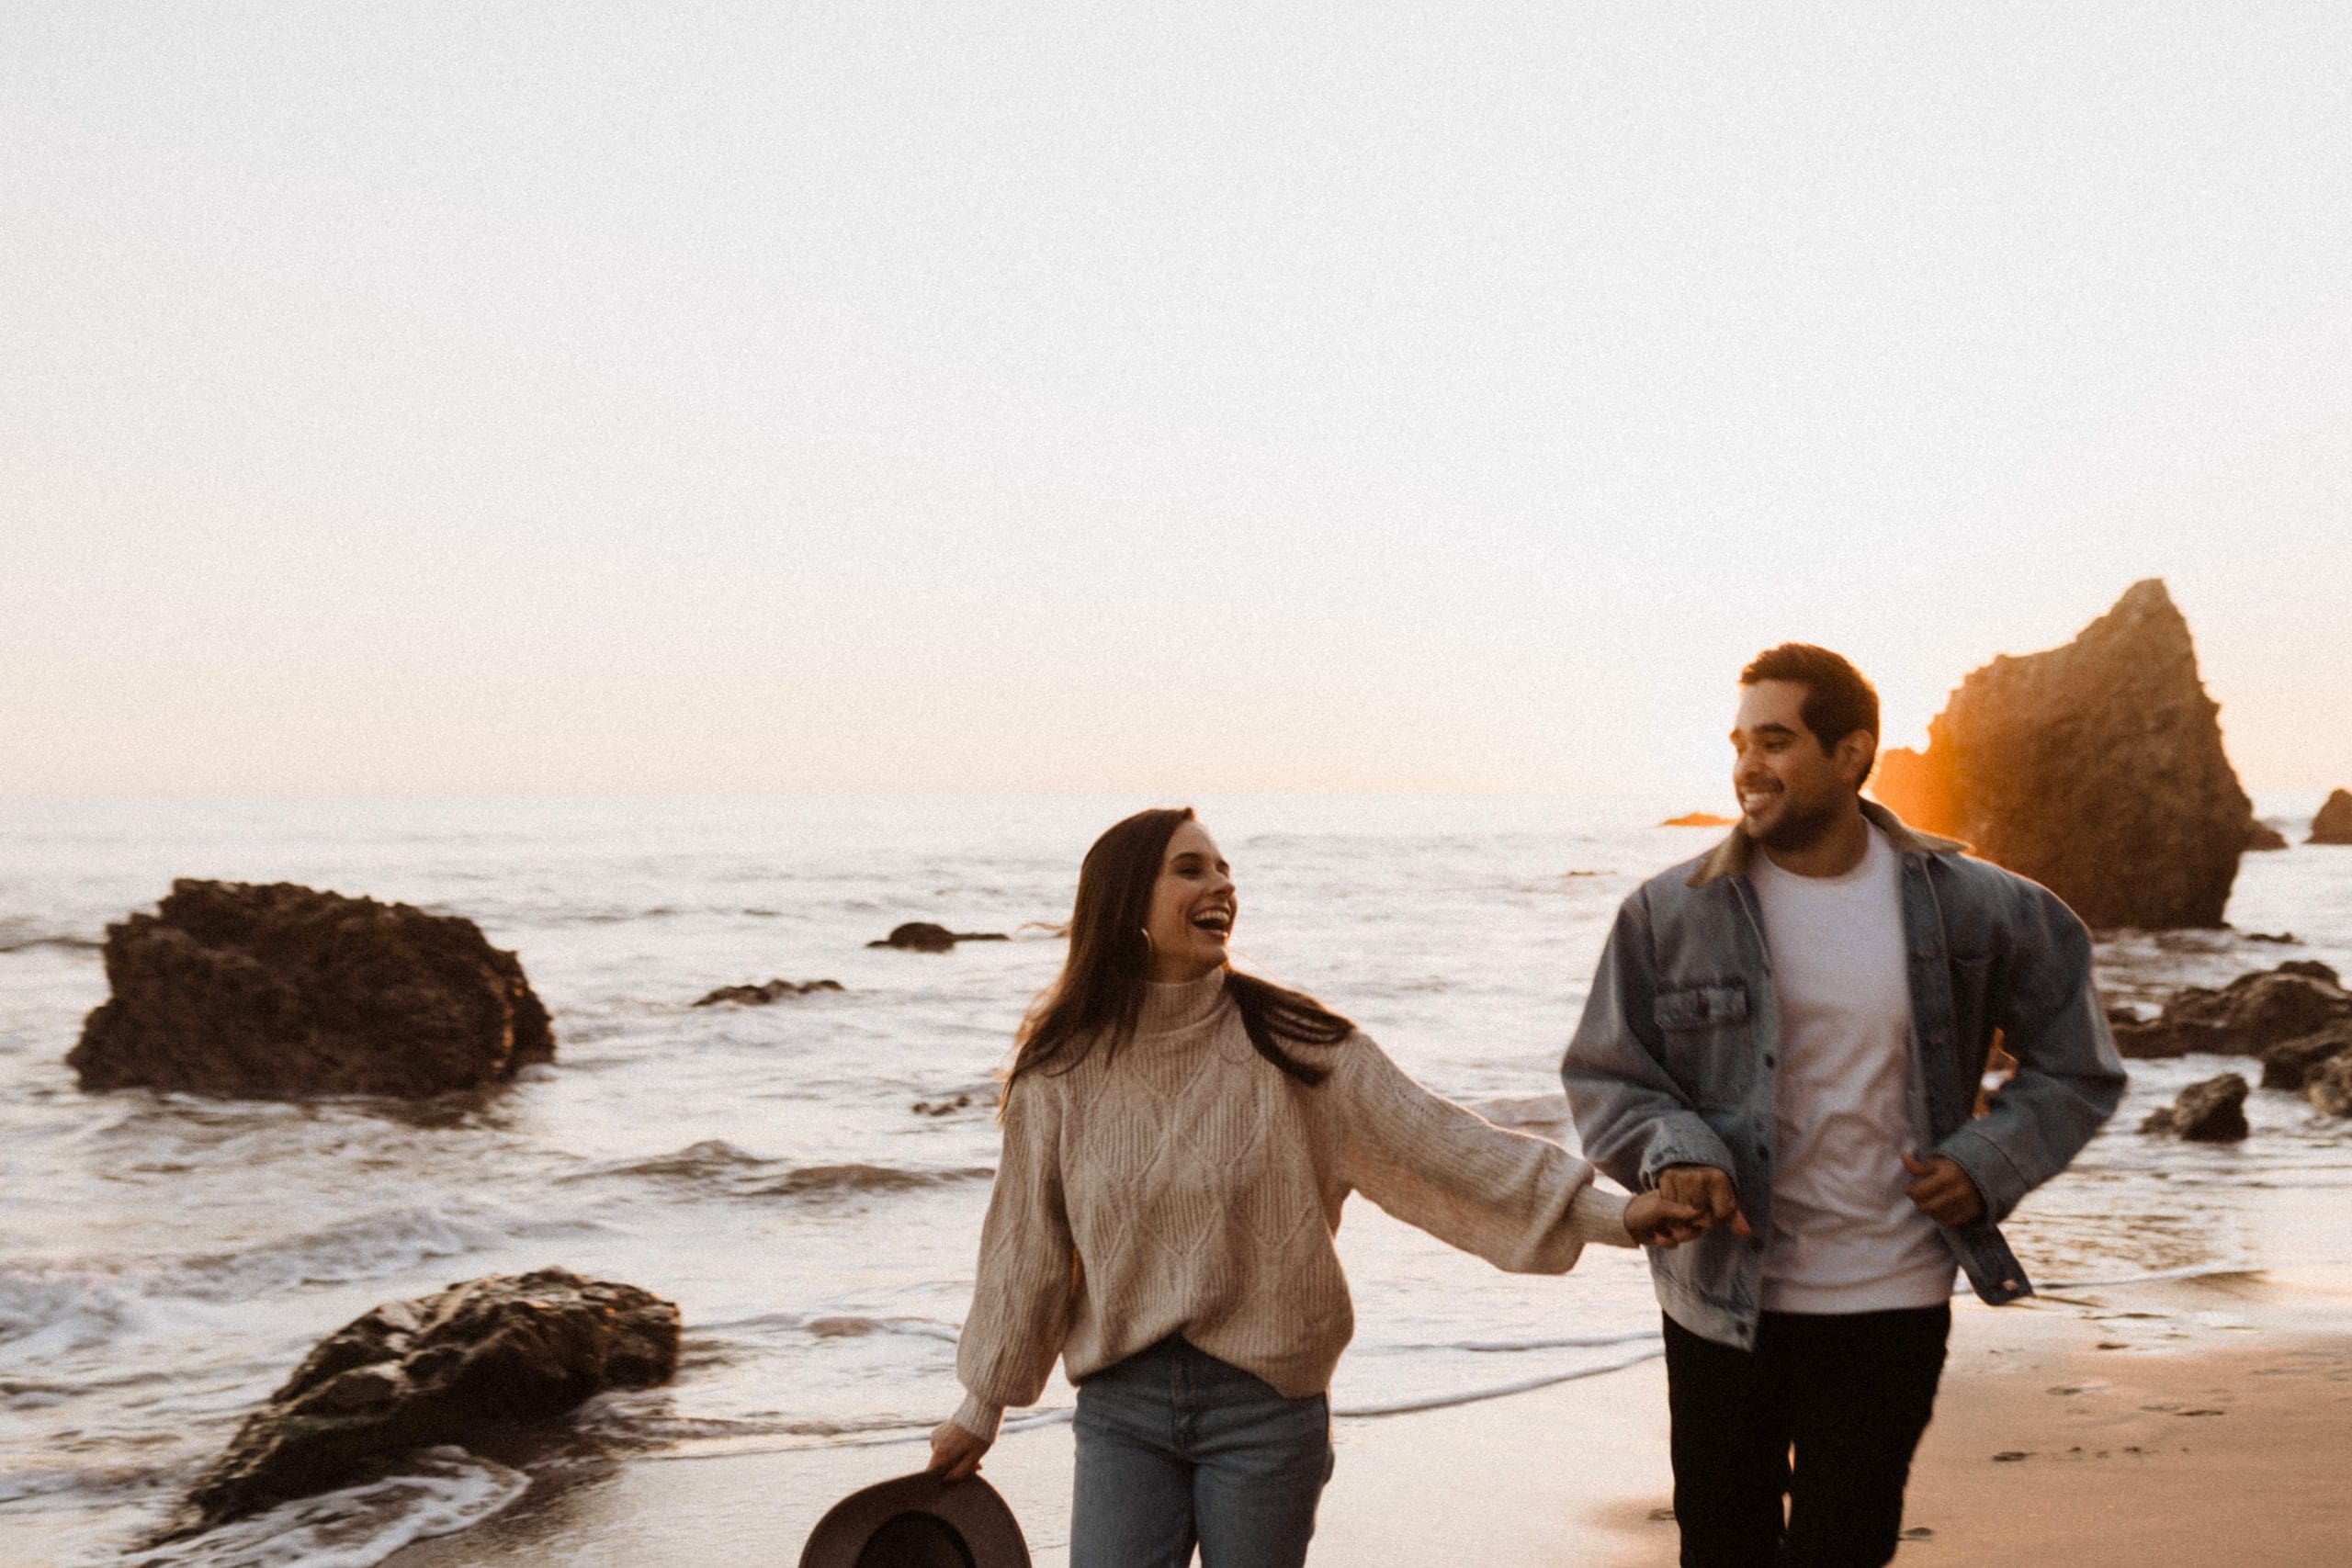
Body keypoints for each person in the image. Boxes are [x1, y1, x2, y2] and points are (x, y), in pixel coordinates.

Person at [929, 806, 1698, 1568]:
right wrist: (981, 1408)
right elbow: (1026, 1248)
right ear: (1126, 900)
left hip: (1265, 1405)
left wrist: (1616, 1212)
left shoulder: (1296, 1045)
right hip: (1122, 1409)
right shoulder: (1061, 1069)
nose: (1222, 884)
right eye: (1191, 868)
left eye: (1225, 867)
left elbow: (1444, 1148)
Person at [1563, 644, 2126, 1568]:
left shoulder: (1980, 909)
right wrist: (1680, 1149)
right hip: (1722, 1300)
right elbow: (1608, 1075)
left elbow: (2076, 1068)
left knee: (1845, 1546)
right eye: (1740, 742)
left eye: (1776, 741)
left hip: (1890, 1295)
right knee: (1723, 1546)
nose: (1748, 765)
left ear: (1852, 753)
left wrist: (1988, 1165)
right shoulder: (1666, 914)